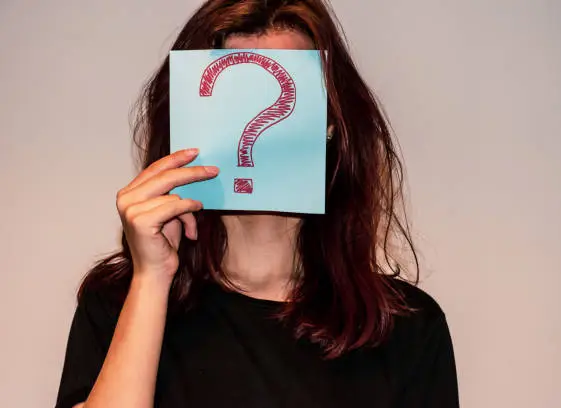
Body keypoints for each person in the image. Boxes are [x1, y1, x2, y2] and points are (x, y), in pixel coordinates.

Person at [55, 0, 459, 407]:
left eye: (291, 94)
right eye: (231, 101)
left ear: (331, 124)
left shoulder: (404, 328)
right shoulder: (121, 304)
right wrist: (152, 279)